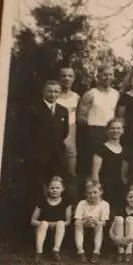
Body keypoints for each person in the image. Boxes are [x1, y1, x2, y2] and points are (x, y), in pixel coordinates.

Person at [26, 80, 69, 202]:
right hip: (38, 156)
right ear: (43, 92)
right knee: (38, 187)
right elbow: (28, 134)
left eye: (56, 91)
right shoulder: (34, 109)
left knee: (55, 186)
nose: (53, 94)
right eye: (50, 91)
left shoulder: (63, 110)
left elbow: (64, 132)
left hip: (56, 156)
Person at [77, 65, 120, 180]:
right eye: (105, 74)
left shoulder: (116, 94)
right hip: (93, 132)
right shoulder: (90, 93)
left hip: (111, 132)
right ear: (99, 76)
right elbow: (81, 117)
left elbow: (117, 115)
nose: (108, 77)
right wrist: (91, 132)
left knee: (108, 165)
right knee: (91, 166)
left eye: (110, 74)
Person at [30, 176, 72, 262]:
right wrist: (45, 223)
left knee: (60, 223)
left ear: (62, 189)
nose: (54, 190)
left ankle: (56, 250)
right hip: (43, 228)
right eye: (52, 188)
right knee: (44, 223)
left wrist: (57, 223)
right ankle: (39, 252)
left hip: (58, 228)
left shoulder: (66, 202)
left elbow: (68, 221)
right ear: (48, 189)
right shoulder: (42, 202)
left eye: (57, 188)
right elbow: (33, 220)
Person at [56, 67, 80, 199]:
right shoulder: (54, 95)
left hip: (71, 136)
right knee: (54, 173)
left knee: (71, 174)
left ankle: (72, 207)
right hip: (55, 135)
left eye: (70, 76)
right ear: (59, 78)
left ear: (74, 79)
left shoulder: (77, 97)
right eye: (63, 76)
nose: (66, 78)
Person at [91, 118, 125, 210]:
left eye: (118, 128)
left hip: (120, 188)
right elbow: (95, 174)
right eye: (112, 128)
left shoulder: (125, 150)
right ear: (107, 131)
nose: (116, 131)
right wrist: (98, 191)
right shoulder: (100, 149)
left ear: (122, 130)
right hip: (105, 187)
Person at [74, 180, 110, 263]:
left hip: (97, 225)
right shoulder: (82, 203)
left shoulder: (104, 204)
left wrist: (96, 221)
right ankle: (80, 251)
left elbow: (104, 222)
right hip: (84, 225)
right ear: (86, 194)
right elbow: (77, 220)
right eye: (89, 193)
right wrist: (84, 221)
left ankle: (96, 252)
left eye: (95, 192)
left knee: (99, 227)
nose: (92, 195)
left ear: (101, 192)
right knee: (78, 226)